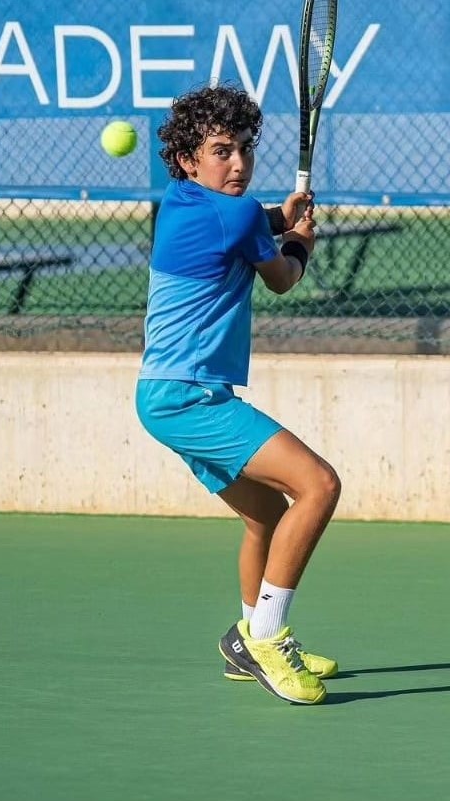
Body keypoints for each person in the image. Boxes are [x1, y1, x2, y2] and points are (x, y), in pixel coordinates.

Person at [134, 83, 341, 706]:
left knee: (266, 515)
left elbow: (246, 223)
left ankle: (245, 639)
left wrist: (280, 215)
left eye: (246, 148)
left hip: (164, 397)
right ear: (187, 159)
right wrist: (299, 240)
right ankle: (270, 638)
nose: (239, 163)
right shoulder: (239, 215)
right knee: (318, 486)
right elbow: (282, 278)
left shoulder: (180, 203)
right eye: (221, 151)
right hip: (190, 398)